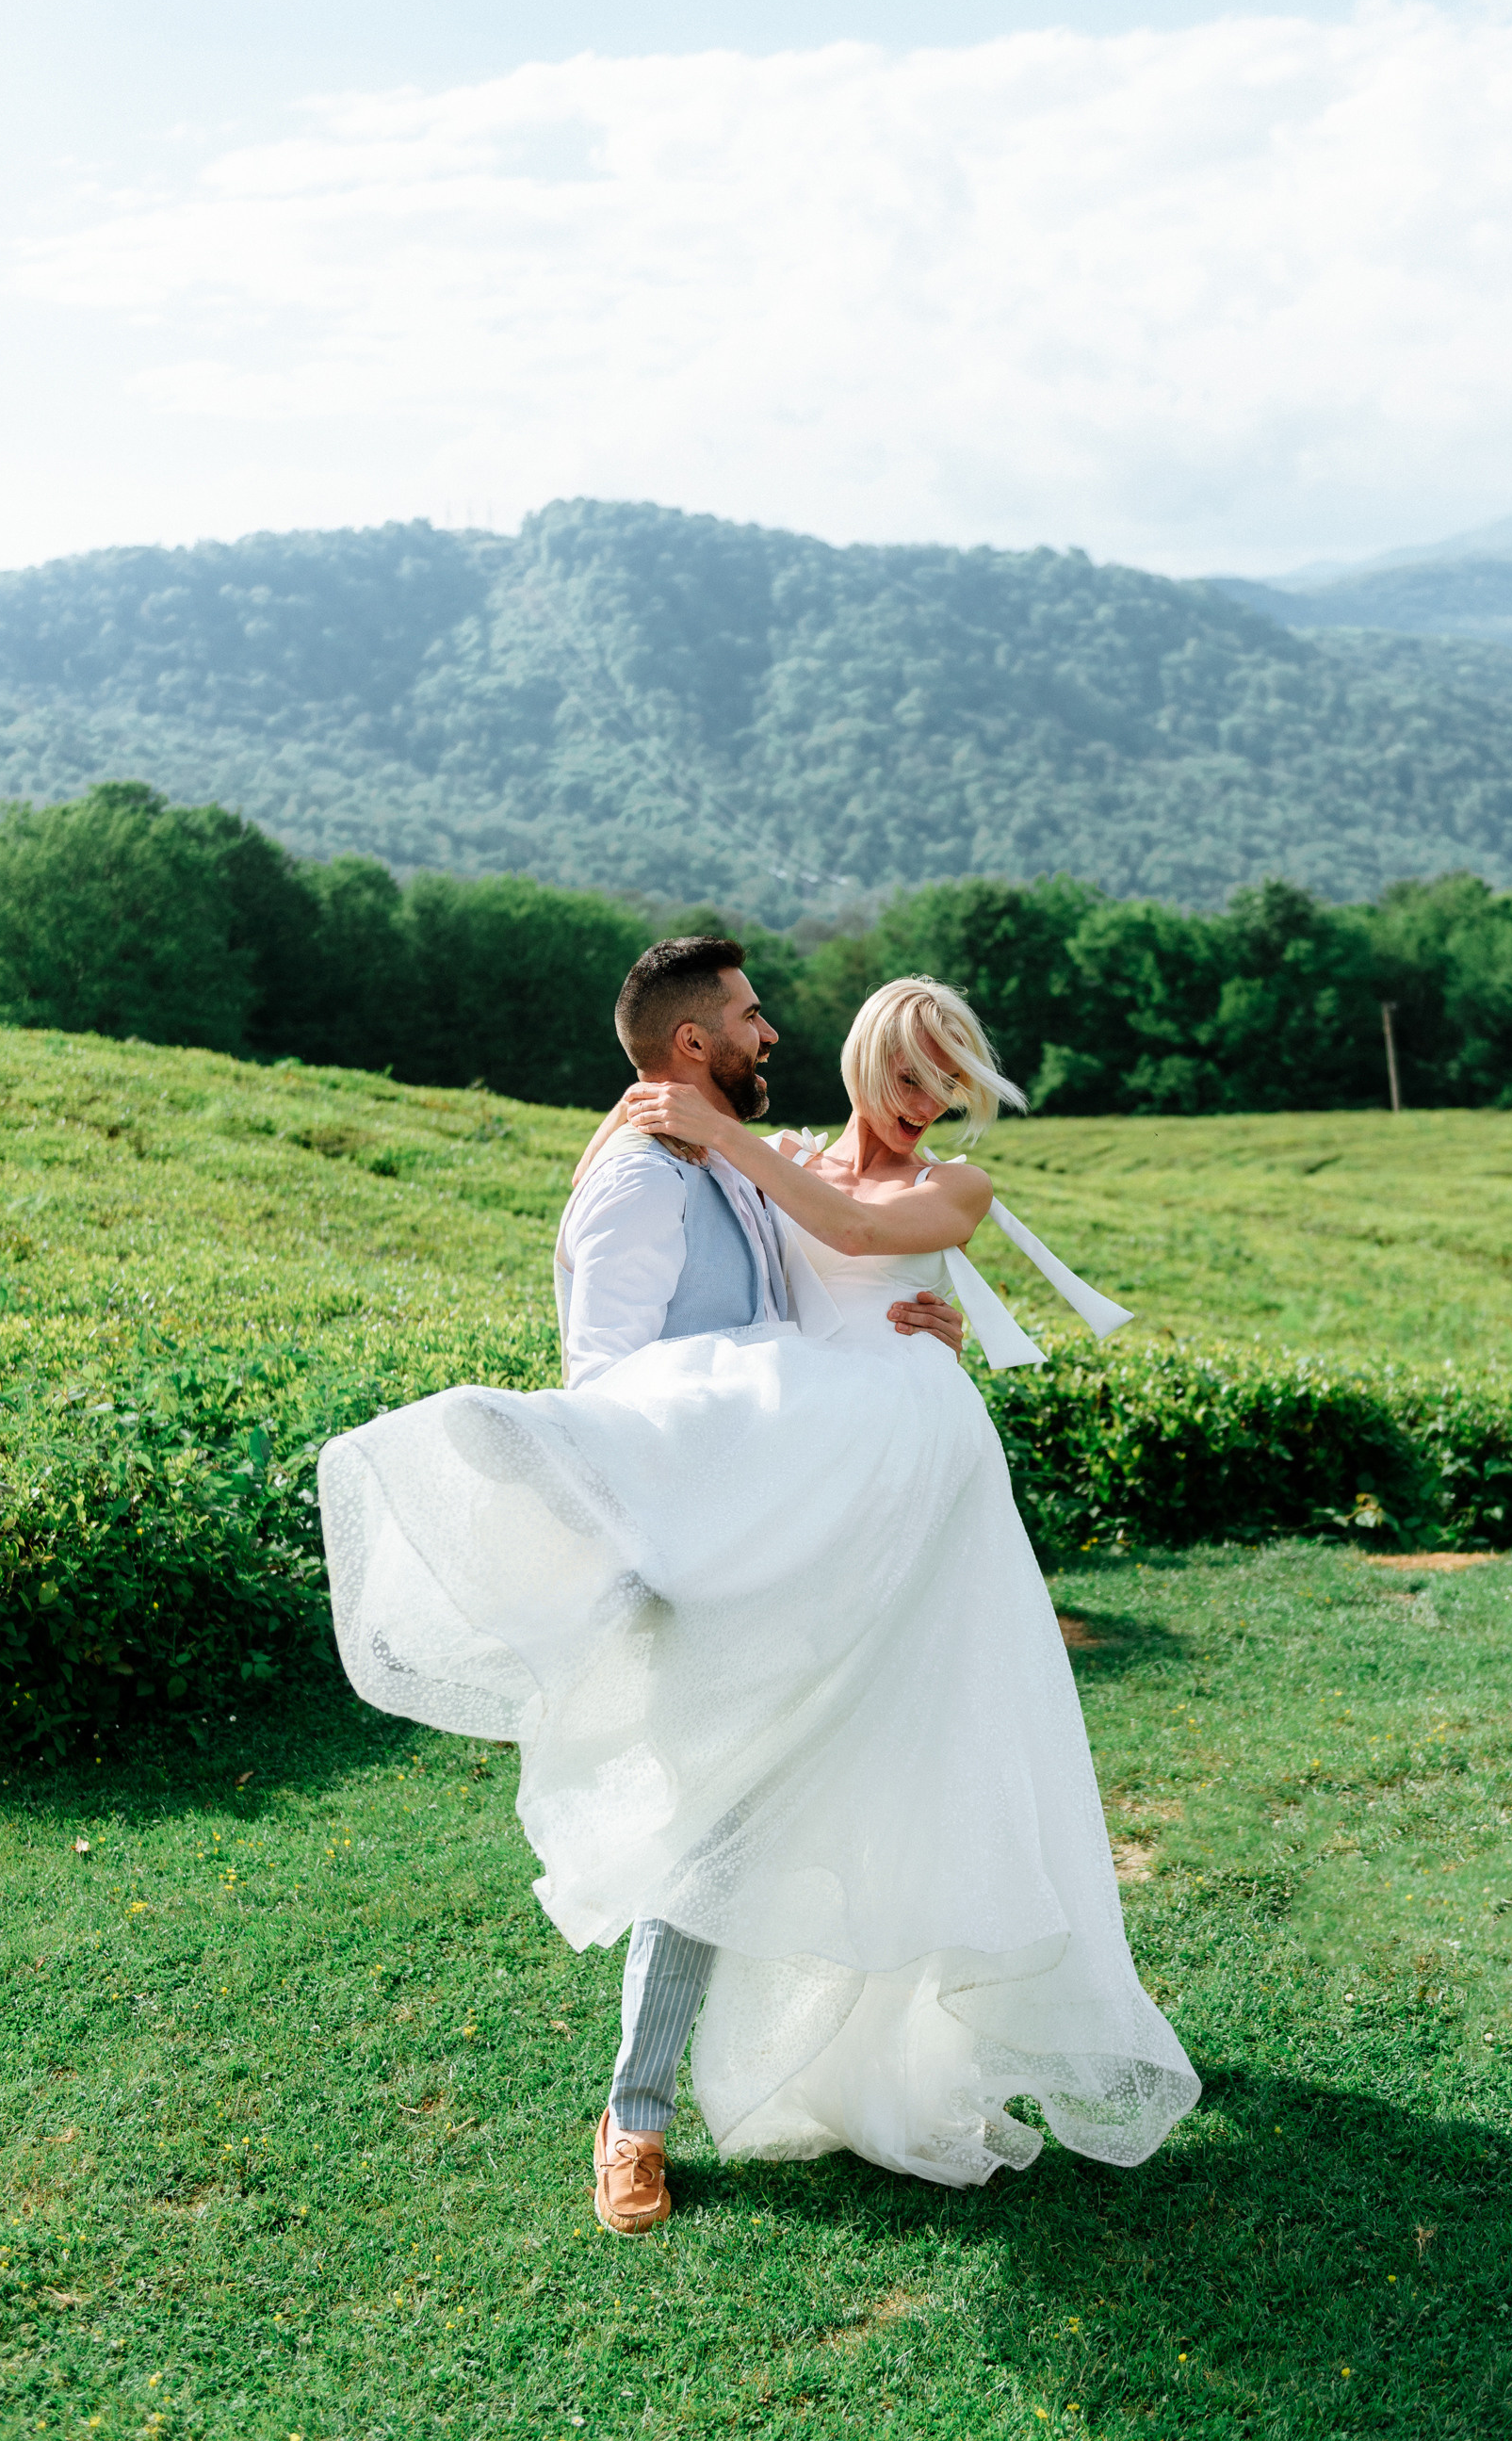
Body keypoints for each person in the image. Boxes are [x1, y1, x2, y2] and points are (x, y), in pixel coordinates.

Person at [317, 948, 1199, 2235]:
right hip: (764, 1507)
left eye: (943, 1080)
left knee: (911, 1784)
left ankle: (936, 2045)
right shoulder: (770, 1152)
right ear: (860, 1062)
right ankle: (637, 2114)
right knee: (716, 1804)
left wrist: (901, 1294)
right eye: (902, 1069)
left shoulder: (932, 1180)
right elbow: (627, 1287)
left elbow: (849, 1237)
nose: (918, 1097)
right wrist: (635, 1142)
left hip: (899, 1510)